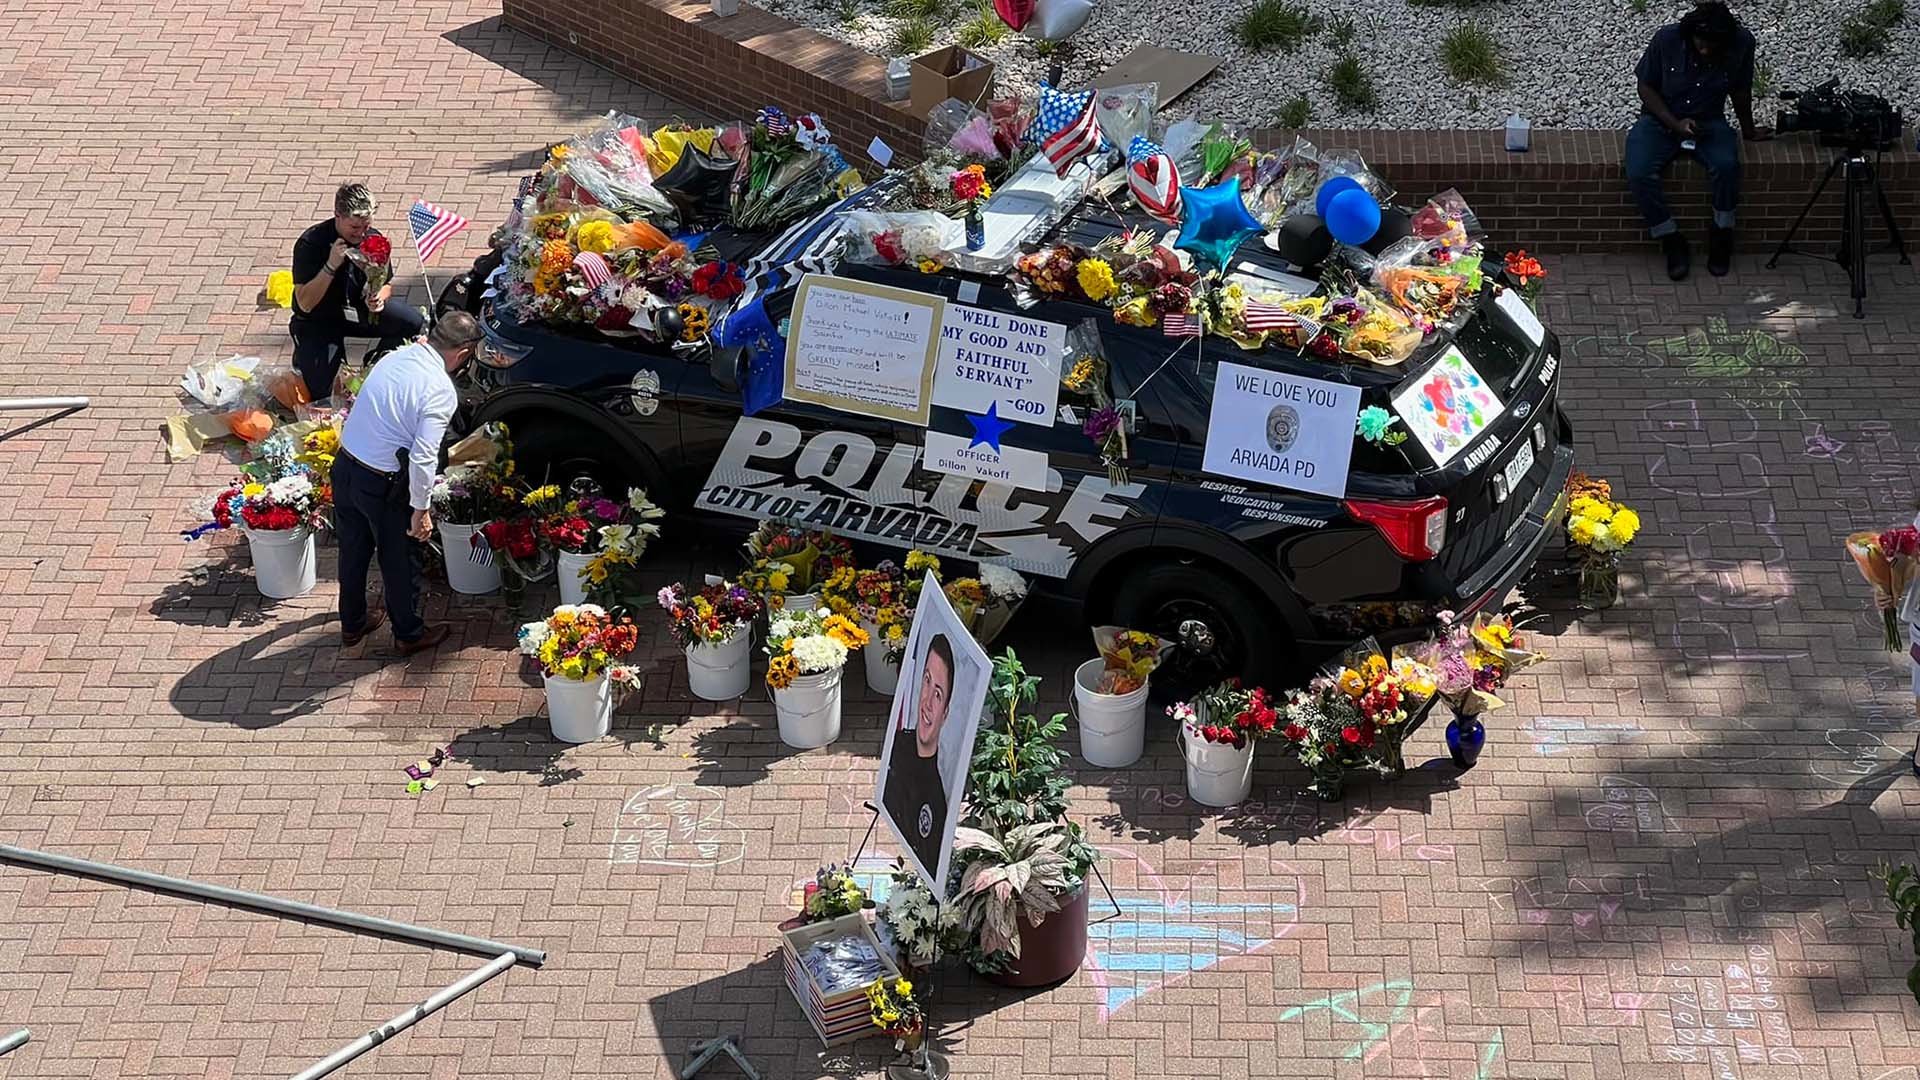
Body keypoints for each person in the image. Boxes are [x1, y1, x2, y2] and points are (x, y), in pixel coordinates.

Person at [332, 311, 487, 654]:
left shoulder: (396, 357)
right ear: (463, 354)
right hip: (382, 483)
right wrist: (421, 509)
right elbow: (423, 456)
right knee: (399, 558)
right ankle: (408, 632)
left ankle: (353, 623)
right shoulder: (439, 390)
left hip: (345, 465)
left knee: (353, 550)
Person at [1627, 2, 1771, 281]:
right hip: (1662, 120)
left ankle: (1721, 235)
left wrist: (1749, 130)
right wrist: (1675, 124)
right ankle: (1670, 239)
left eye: (1712, 46)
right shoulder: (1667, 38)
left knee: (1727, 166)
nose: (1705, 51)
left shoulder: (1742, 43)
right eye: (1700, 44)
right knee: (1639, 171)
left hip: (1709, 120)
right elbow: (1645, 86)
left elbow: (1741, 91)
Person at [290, 183, 429, 400]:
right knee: (321, 392)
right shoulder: (311, 243)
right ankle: (308, 357)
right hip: (319, 318)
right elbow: (305, 303)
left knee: (413, 322)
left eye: (366, 226)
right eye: (354, 228)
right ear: (338, 216)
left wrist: (378, 298)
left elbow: (387, 284)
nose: (361, 233)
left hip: (357, 309)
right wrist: (330, 266)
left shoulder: (372, 239)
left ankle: (376, 364)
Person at [883, 633, 956, 881]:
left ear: (946, 713)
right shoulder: (896, 746)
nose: (927, 702)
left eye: (938, 694)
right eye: (926, 681)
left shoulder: (935, 801)